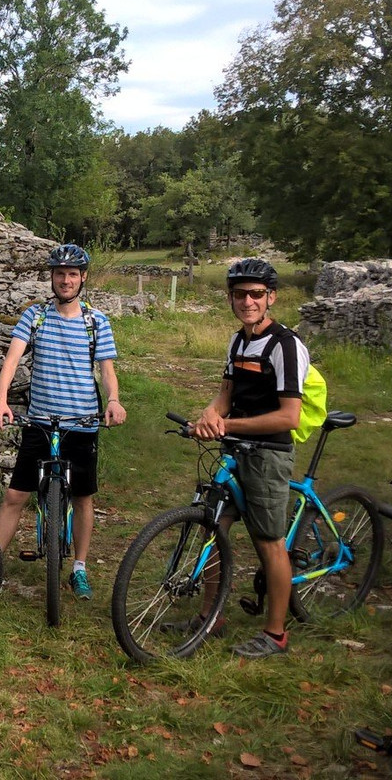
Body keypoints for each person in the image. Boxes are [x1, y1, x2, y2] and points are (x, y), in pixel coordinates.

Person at [0, 243, 126, 600]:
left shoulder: (98, 322)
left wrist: (113, 400)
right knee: (15, 495)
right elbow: (12, 359)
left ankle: (79, 567)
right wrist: (1, 399)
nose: (66, 280)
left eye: (73, 274)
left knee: (82, 497)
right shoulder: (36, 317)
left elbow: (107, 371)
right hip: (40, 422)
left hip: (82, 422)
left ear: (83, 279)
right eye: (60, 273)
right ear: (51, 277)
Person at [191, 258, 308, 658]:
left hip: (269, 454)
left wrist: (230, 426)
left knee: (268, 541)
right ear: (231, 298)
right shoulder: (238, 341)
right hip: (235, 449)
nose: (248, 301)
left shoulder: (285, 345)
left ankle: (275, 633)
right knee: (213, 529)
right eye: (240, 294)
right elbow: (226, 393)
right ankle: (211, 617)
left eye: (256, 294)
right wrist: (211, 413)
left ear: (271, 297)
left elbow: (289, 416)